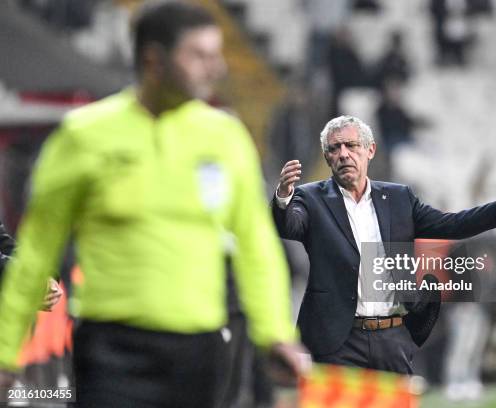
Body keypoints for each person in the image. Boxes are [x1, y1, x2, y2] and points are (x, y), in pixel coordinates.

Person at [0, 2, 305, 407]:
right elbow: (35, 252)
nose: (216, 69)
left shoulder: (226, 138)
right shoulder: (84, 137)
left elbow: (256, 246)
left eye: (216, 55)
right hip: (110, 349)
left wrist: (276, 333)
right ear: (153, 59)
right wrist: (6, 351)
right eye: (199, 55)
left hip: (200, 351)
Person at [271, 115, 496, 374]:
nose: (342, 154)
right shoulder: (309, 197)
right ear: (327, 156)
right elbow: (288, 225)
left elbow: (450, 224)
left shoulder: (399, 198)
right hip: (337, 339)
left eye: (351, 146)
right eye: (333, 148)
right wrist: (283, 198)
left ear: (370, 150)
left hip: (390, 337)